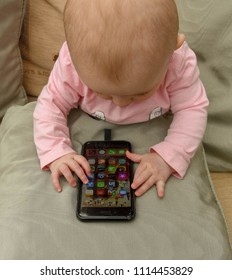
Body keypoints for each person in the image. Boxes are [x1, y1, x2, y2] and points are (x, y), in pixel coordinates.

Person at [33, 0, 208, 198]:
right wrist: (57, 151)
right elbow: (51, 104)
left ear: (172, 52)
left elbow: (192, 108)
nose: (120, 104)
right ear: (72, 56)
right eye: (102, 93)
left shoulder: (179, 63)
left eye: (140, 93)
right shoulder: (70, 64)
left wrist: (168, 157)